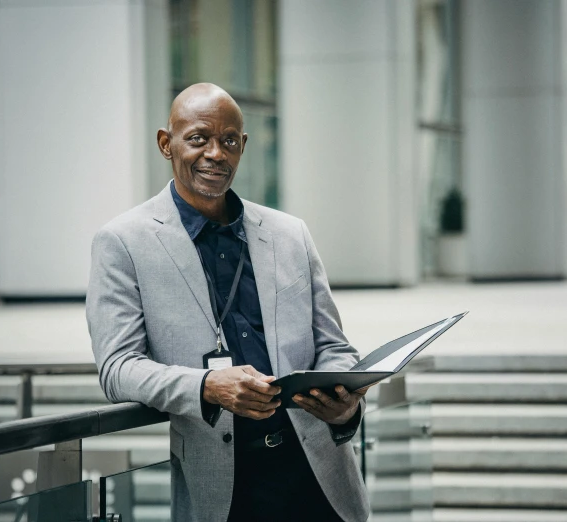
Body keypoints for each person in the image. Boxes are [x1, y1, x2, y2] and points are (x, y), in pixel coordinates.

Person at [86, 83, 370, 522]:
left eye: (229, 141)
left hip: (320, 482)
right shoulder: (122, 242)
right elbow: (117, 366)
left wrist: (347, 402)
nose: (215, 154)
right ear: (167, 143)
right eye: (198, 138)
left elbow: (334, 346)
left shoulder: (290, 233)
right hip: (222, 490)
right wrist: (205, 386)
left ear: (242, 146)